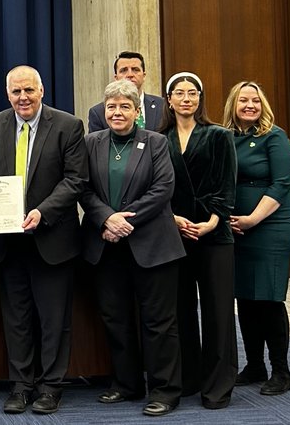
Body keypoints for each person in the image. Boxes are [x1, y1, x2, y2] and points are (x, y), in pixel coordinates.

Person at [0, 65, 87, 415]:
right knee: (16, 318)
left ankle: (51, 386)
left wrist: (42, 212)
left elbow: (75, 180)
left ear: (41, 91)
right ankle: (21, 385)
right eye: (16, 92)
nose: (23, 97)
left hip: (52, 238)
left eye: (29, 91)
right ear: (7, 95)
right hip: (9, 242)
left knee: (54, 320)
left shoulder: (68, 125)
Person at [80, 80, 185, 417]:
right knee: (116, 318)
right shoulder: (91, 142)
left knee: (158, 322)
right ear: (103, 111)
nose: (117, 112)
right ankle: (127, 384)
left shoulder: (154, 142)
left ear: (137, 112)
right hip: (105, 245)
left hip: (152, 245)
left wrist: (126, 222)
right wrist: (106, 219)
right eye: (111, 106)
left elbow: (163, 188)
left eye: (125, 106)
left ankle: (165, 390)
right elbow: (82, 188)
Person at [159, 72, 237, 409]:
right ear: (169, 99)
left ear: (200, 98)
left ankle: (218, 386)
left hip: (213, 234)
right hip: (172, 232)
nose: (187, 98)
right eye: (180, 93)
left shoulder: (219, 135)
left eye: (193, 93)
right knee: (180, 311)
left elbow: (226, 185)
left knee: (218, 311)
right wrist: (173, 219)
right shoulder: (157, 138)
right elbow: (154, 186)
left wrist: (211, 222)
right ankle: (187, 378)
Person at [221, 82, 290, 396]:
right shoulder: (224, 136)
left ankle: (281, 370)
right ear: (233, 105)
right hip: (235, 228)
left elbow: (281, 183)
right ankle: (254, 365)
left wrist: (253, 218)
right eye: (243, 100)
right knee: (246, 297)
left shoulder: (273, 136)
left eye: (255, 100)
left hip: (271, 225)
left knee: (269, 297)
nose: (250, 105)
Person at [88, 51, 164, 133]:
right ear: (116, 78)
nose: (130, 75)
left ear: (144, 75)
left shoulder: (162, 106)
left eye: (135, 70)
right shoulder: (98, 112)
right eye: (124, 70)